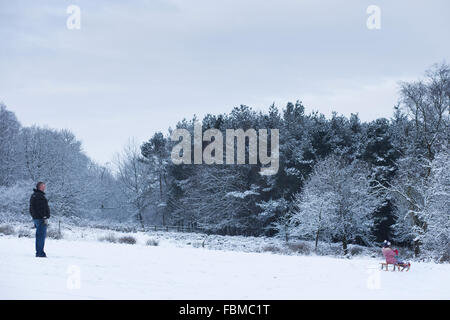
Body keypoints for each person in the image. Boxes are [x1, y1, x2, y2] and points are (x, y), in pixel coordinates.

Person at [29, 182, 50, 258]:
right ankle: (40, 253)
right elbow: (41, 208)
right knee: (41, 236)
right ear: (39, 187)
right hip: (40, 219)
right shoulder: (39, 196)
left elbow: (31, 208)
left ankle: (39, 251)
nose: (44, 188)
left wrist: (34, 217)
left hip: (36, 218)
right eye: (43, 186)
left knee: (39, 235)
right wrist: (44, 217)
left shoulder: (34, 195)